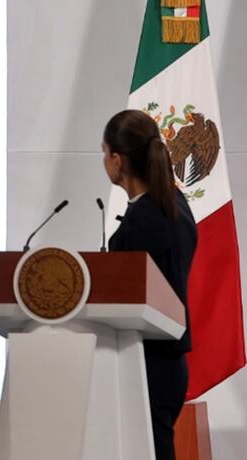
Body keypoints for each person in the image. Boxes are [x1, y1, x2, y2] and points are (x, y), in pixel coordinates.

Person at [103, 109, 197, 460]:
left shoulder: (143, 219)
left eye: (103, 153)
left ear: (117, 159)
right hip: (168, 362)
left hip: (145, 360)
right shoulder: (177, 206)